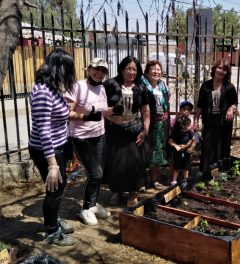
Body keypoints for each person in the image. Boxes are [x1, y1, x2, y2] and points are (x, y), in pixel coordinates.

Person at [28, 48, 76, 246]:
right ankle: (51, 232)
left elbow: (63, 115)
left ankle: (53, 221)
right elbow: (44, 131)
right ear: (59, 68)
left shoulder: (53, 88)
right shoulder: (42, 92)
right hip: (45, 150)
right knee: (54, 189)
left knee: (59, 187)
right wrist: (53, 165)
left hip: (58, 146)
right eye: (68, 70)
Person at [64, 58, 115, 225]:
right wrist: (85, 117)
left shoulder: (101, 88)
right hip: (81, 137)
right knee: (95, 173)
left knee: (99, 173)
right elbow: (66, 113)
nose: (99, 73)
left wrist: (116, 110)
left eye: (103, 71)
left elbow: (103, 113)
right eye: (96, 69)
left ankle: (93, 204)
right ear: (89, 69)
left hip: (99, 135)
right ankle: (85, 208)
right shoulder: (77, 86)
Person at [103, 56, 150, 207]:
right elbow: (100, 107)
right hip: (114, 132)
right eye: (128, 68)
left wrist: (145, 130)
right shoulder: (110, 85)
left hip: (134, 132)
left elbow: (146, 111)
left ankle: (132, 193)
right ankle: (118, 191)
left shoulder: (141, 87)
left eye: (134, 69)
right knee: (116, 163)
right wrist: (110, 119)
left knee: (133, 164)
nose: (131, 72)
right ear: (122, 69)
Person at [194, 59, 238, 171]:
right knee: (207, 147)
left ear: (227, 72)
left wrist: (230, 109)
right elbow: (200, 105)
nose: (221, 71)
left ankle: (222, 172)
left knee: (223, 147)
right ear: (214, 69)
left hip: (224, 123)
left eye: (225, 69)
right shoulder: (206, 85)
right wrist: (195, 120)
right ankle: (205, 172)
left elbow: (234, 103)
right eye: (219, 68)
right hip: (209, 122)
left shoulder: (229, 87)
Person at [142, 60, 170, 190]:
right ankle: (141, 181)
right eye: (153, 69)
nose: (156, 72)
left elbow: (167, 100)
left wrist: (165, 114)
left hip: (160, 125)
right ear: (147, 72)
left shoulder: (163, 85)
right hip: (146, 124)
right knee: (143, 152)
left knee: (157, 153)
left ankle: (154, 180)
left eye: (158, 69)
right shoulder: (142, 86)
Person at [169, 114, 195, 188]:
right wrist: (176, 146)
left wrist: (190, 147)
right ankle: (174, 181)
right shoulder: (176, 131)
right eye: (188, 125)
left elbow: (194, 139)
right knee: (176, 166)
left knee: (186, 167)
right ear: (183, 125)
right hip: (178, 151)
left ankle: (185, 180)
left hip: (186, 152)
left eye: (189, 125)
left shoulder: (189, 132)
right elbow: (170, 141)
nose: (190, 127)